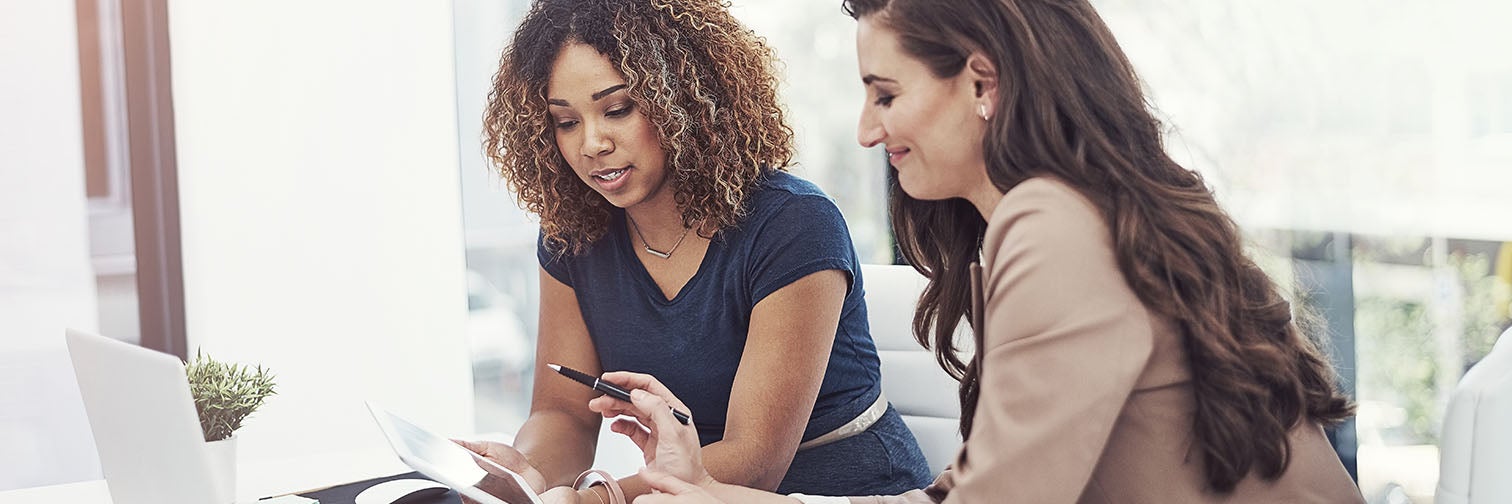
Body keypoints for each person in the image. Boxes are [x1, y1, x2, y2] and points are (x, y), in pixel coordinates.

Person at [584, 0, 1368, 502]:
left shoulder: (1053, 228)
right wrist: (711, 492)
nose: (866, 129)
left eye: (886, 94)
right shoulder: (1067, 216)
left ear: (982, 83)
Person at [459, 0, 932, 502]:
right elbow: (565, 413)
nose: (592, 143)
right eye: (565, 121)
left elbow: (753, 461)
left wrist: (598, 498)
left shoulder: (795, 225)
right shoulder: (572, 235)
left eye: (617, 109)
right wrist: (527, 475)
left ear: (683, 100)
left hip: (841, 491)